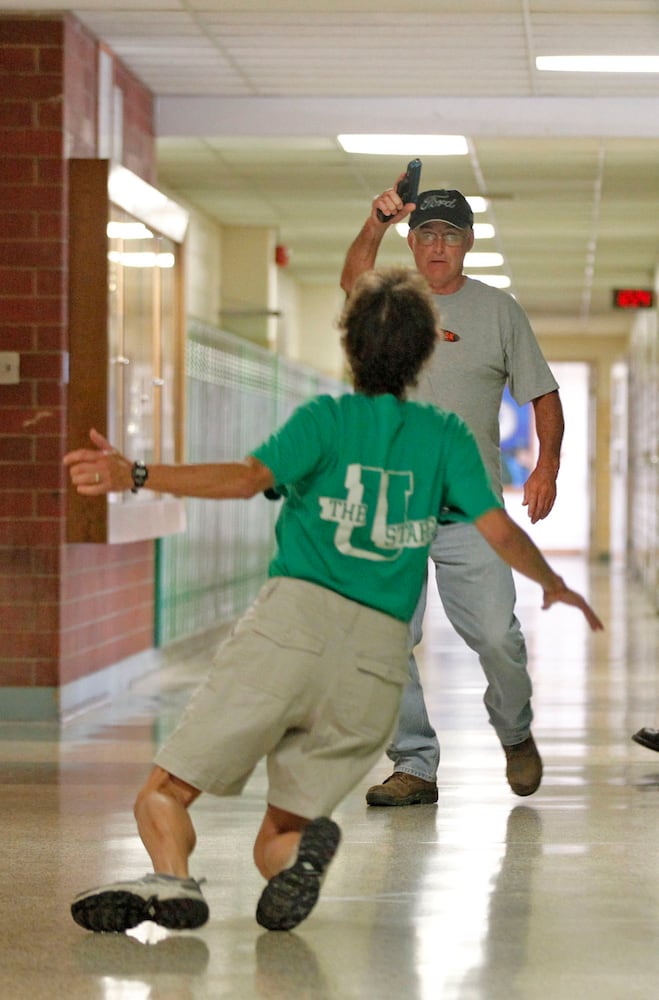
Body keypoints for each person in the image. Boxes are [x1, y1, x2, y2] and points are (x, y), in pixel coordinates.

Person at [64, 267, 601, 936]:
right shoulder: (444, 437)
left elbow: (243, 479)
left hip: (292, 628)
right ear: (426, 352)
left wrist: (135, 473)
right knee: (280, 830)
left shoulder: (324, 420)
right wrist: (552, 583)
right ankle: (295, 857)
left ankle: (172, 880)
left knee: (165, 793)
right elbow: (496, 530)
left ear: (348, 347)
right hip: (373, 665)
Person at [341, 183, 565, 806]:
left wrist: (546, 466)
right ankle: (414, 763)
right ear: (412, 243)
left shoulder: (499, 311)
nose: (438, 246)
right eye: (428, 235)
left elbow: (543, 394)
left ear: (466, 244)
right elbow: (353, 274)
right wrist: (375, 221)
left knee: (497, 635)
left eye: (451, 235)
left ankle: (515, 734)